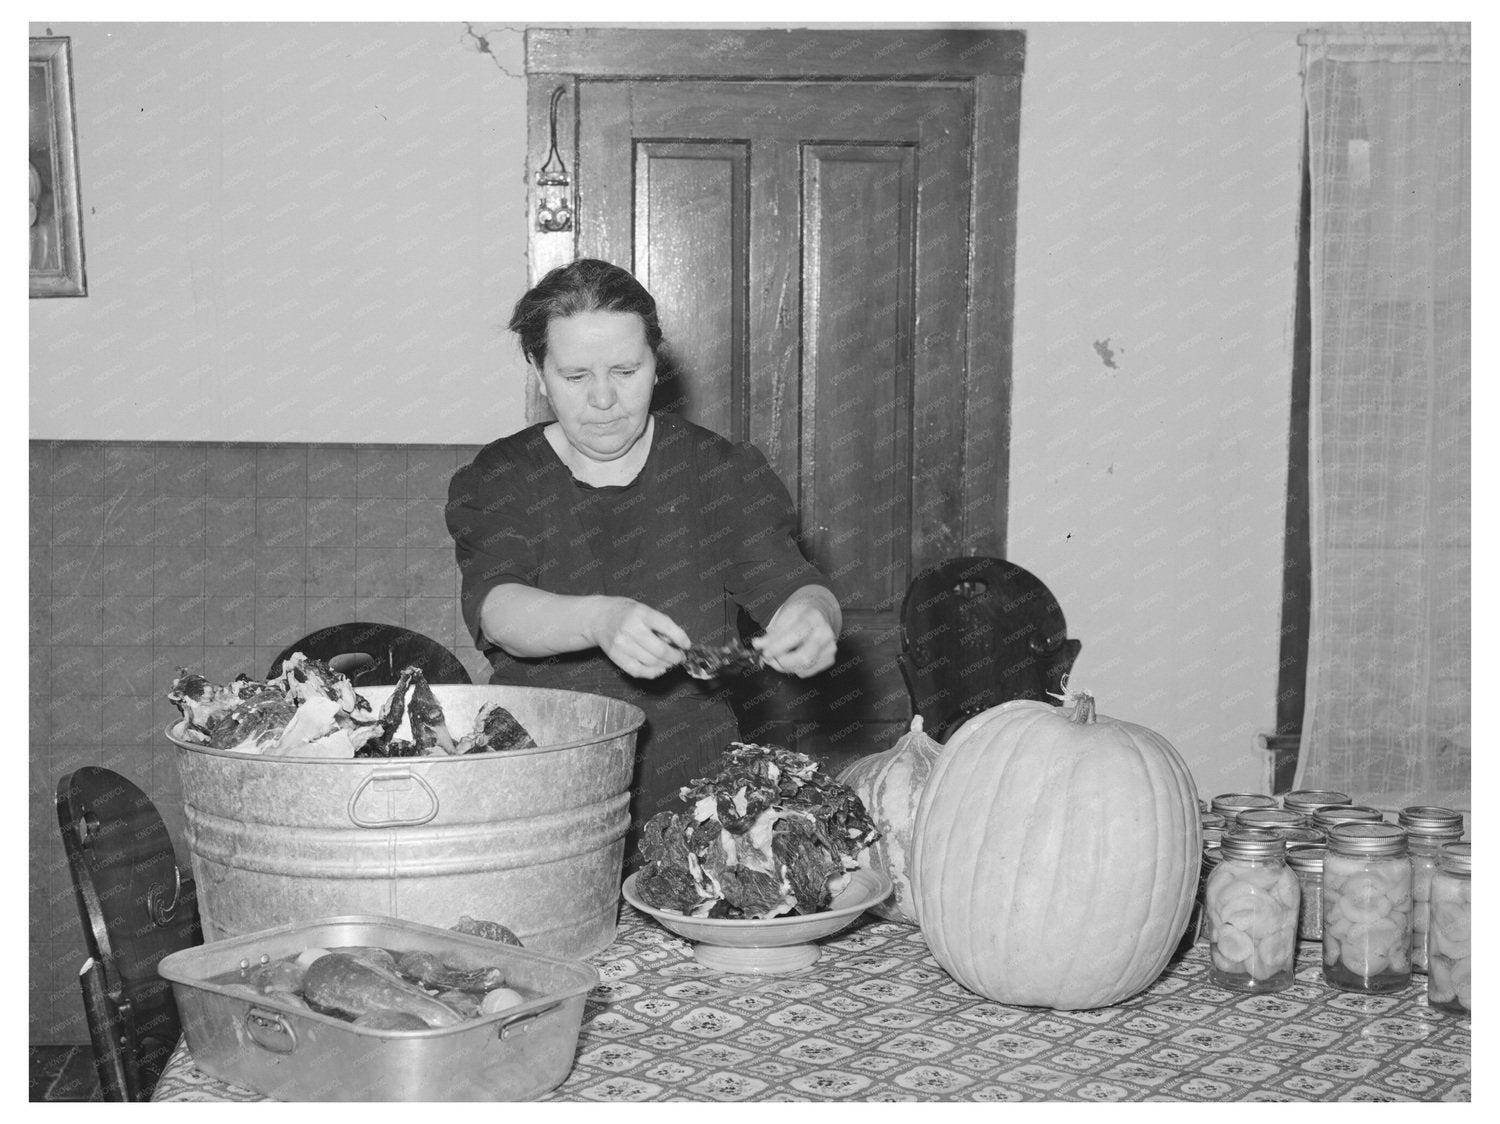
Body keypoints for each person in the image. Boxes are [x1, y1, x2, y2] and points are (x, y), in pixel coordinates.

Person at [446, 258, 841, 867]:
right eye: (575, 375)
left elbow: (794, 586)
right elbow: (497, 609)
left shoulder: (718, 471)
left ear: (657, 365)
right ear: (539, 373)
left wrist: (813, 617)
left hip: (695, 794)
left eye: (626, 371)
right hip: (537, 780)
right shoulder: (502, 477)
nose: (603, 399)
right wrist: (600, 619)